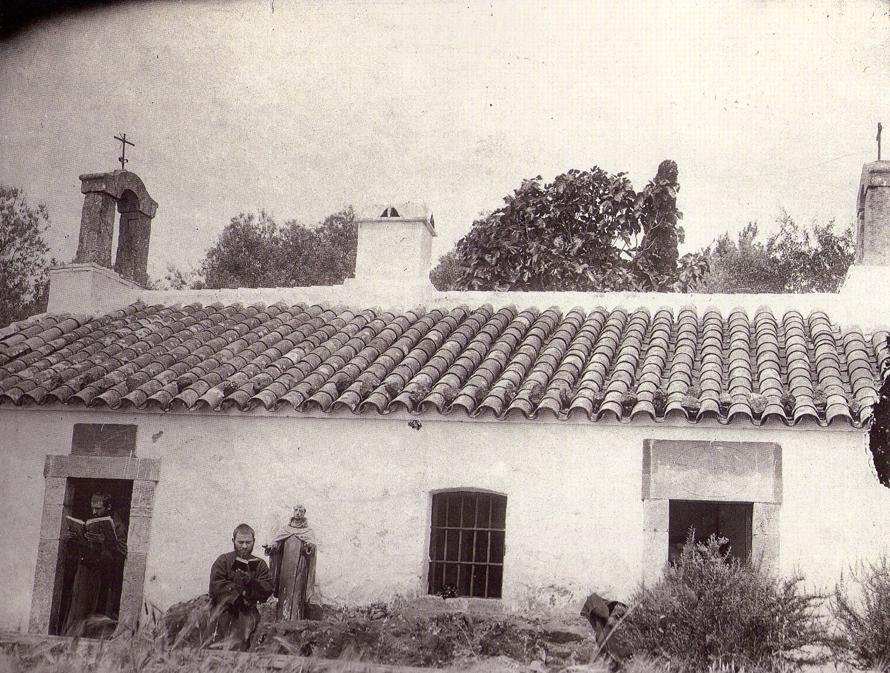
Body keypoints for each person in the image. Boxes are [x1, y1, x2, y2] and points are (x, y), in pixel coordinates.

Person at [61, 492, 128, 636]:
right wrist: (75, 538)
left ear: (108, 507)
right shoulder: (92, 521)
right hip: (87, 572)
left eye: (98, 509)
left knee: (100, 614)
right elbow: (87, 547)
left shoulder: (118, 525)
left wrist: (105, 542)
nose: (94, 512)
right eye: (92, 508)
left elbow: (122, 553)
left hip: (104, 577)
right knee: (80, 610)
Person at [209, 523, 274, 650]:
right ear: (233, 541)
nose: (244, 546)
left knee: (246, 650)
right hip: (223, 613)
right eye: (240, 542)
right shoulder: (223, 561)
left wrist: (251, 582)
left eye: (248, 542)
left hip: (248, 614)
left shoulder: (260, 564)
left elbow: (267, 588)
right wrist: (237, 593)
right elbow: (215, 585)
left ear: (254, 541)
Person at [264, 505, 316, 620]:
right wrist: (271, 547)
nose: (298, 513)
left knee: (298, 594)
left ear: (304, 513)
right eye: (296, 510)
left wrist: (309, 547)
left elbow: (311, 549)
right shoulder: (285, 529)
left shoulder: (308, 531)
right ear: (293, 512)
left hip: (300, 568)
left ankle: (296, 620)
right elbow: (277, 545)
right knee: (285, 593)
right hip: (286, 567)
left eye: (301, 511)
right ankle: (282, 620)